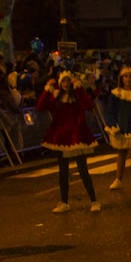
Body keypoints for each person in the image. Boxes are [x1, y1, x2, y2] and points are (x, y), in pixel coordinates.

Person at [37, 71, 101, 213]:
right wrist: (47, 90)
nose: (66, 84)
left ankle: (94, 200)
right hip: (61, 137)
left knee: (83, 170)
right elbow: (40, 107)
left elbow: (88, 105)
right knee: (63, 171)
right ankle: (64, 202)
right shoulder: (56, 97)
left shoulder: (77, 96)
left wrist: (79, 88)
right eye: (63, 81)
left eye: (68, 81)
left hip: (77, 136)